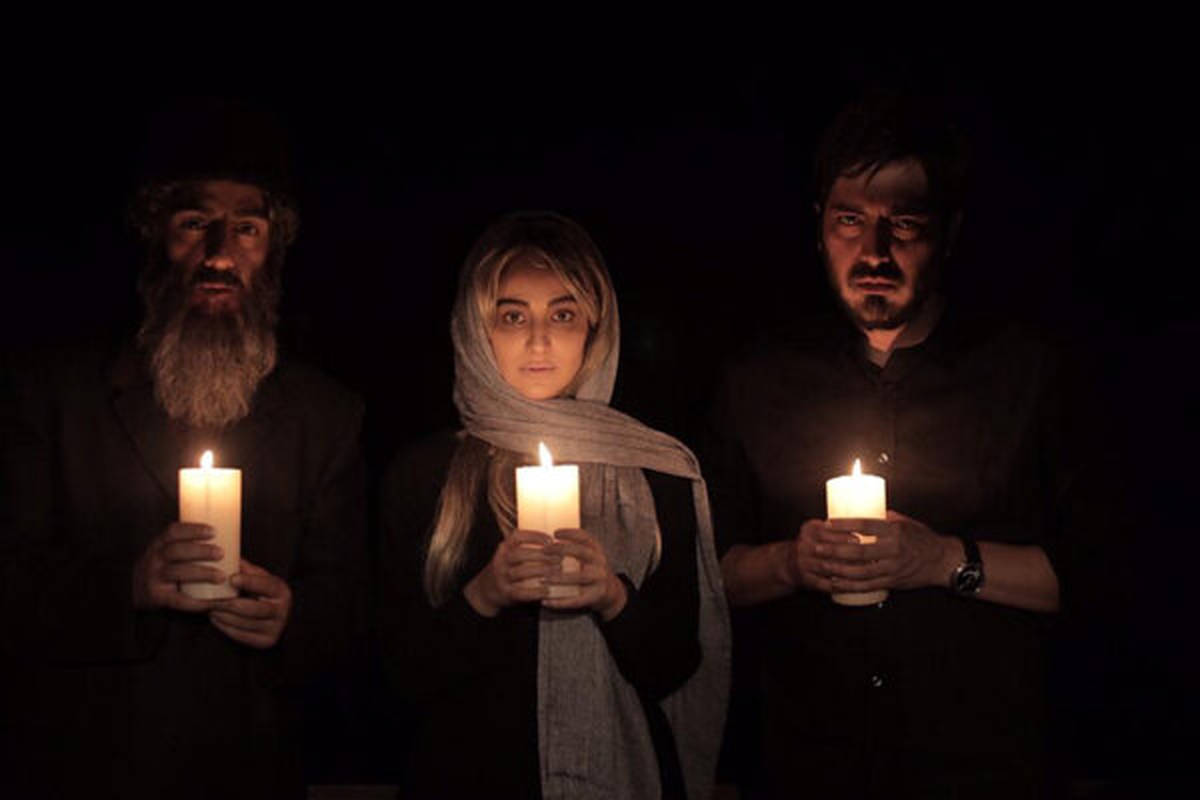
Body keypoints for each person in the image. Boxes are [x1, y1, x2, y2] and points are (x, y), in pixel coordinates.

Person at [708, 93, 1074, 798]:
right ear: (820, 227)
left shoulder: (1027, 373)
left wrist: (941, 560)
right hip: (807, 765)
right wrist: (792, 563)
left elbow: (1095, 576)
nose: (874, 252)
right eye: (850, 221)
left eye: (903, 223)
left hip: (982, 767)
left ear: (949, 232)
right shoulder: (756, 379)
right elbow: (707, 576)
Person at [0, 104, 366, 798]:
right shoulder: (51, 395)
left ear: (274, 250)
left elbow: (350, 613)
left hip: (249, 770)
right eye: (195, 223)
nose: (220, 254)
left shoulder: (326, 416)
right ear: (155, 237)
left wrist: (292, 617)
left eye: (248, 229)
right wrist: (129, 587)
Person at [379, 212, 730, 799]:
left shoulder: (655, 470)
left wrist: (614, 597)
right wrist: (484, 596)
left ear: (595, 327)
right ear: (477, 329)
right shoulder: (425, 474)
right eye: (513, 316)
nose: (539, 340)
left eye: (562, 315)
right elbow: (397, 677)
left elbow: (677, 667)